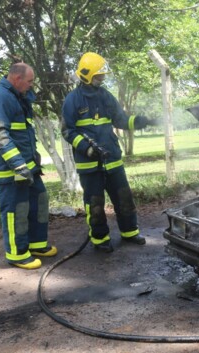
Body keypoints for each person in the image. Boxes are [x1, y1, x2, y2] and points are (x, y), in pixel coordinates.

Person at [61, 52, 156, 253]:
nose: (102, 79)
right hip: (89, 165)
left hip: (112, 160)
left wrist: (140, 122)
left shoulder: (105, 96)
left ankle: (130, 232)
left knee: (124, 198)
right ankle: (100, 238)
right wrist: (86, 148)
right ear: (86, 75)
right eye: (98, 75)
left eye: (103, 75)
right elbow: (67, 130)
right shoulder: (72, 100)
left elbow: (120, 120)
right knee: (95, 204)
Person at [0, 62, 57, 270]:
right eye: (30, 81)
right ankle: (17, 254)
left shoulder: (17, 97)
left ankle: (37, 244)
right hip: (10, 169)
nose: (32, 85)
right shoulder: (1, 98)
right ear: (16, 79)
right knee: (16, 210)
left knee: (39, 199)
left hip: (27, 166)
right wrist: (18, 164)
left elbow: (22, 132)